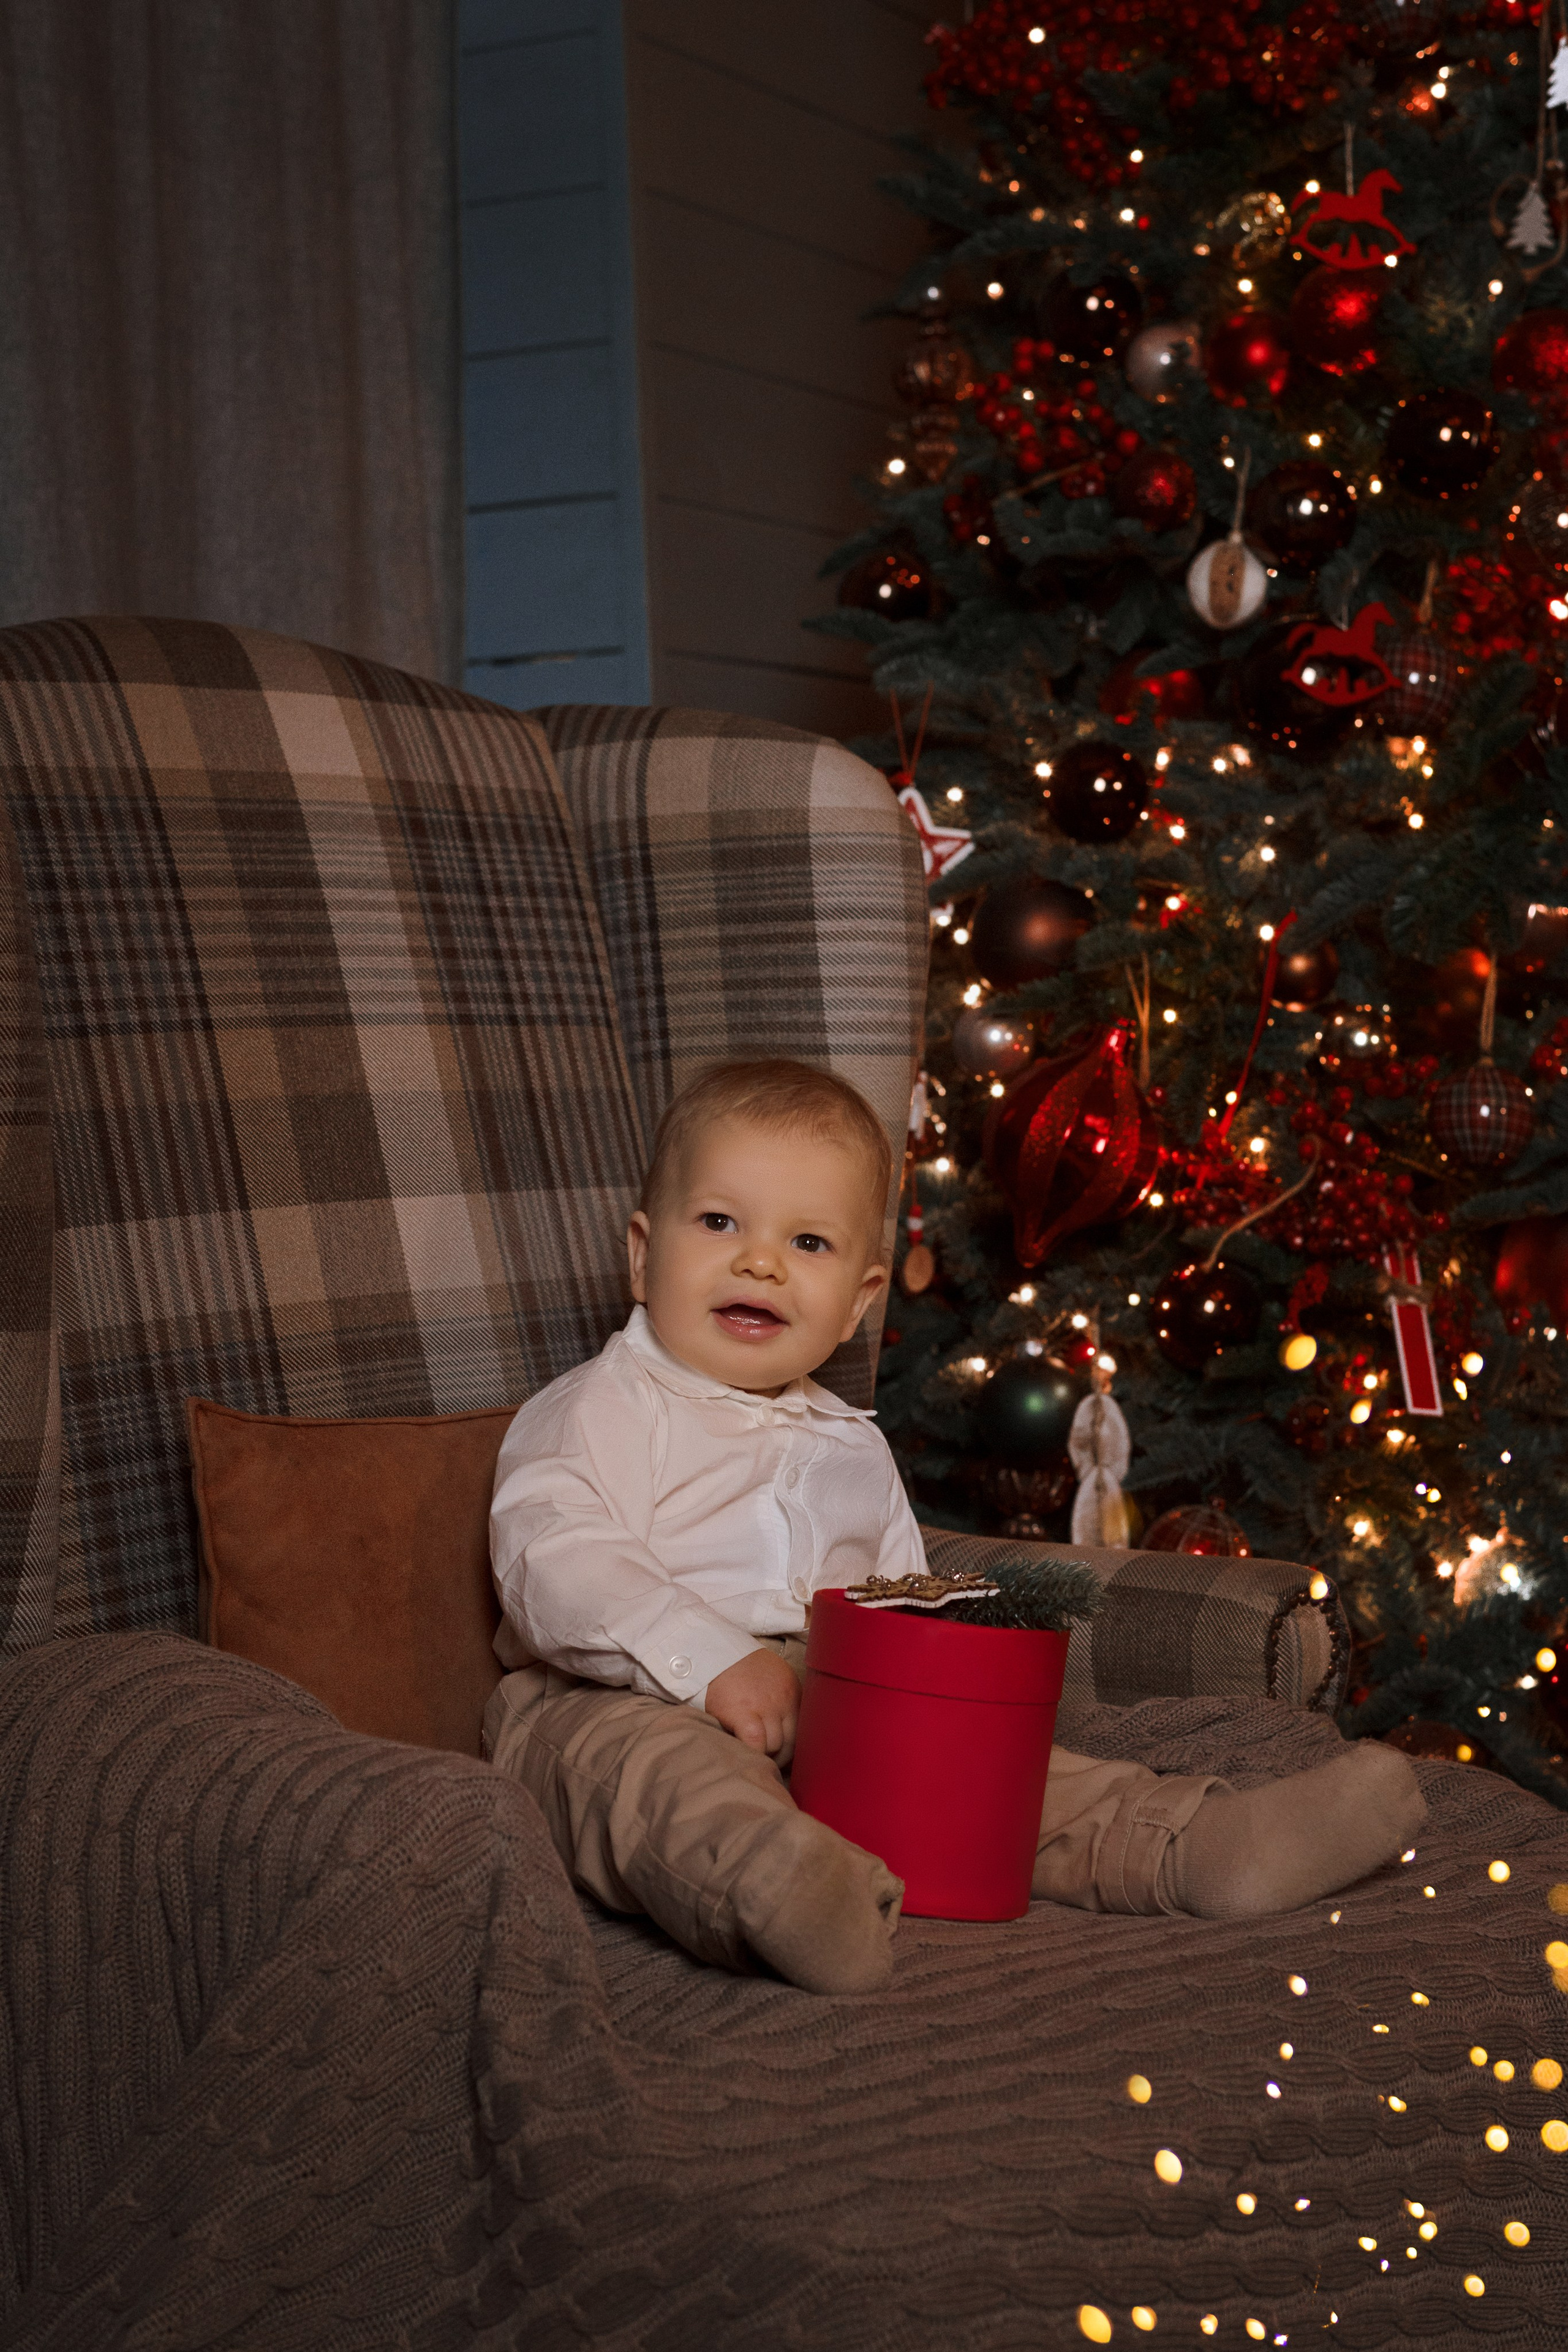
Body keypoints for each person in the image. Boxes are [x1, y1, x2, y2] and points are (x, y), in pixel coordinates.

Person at [486, 1060, 1424, 1994]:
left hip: (826, 1691)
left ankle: (1189, 1846)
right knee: (659, 1783)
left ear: (857, 1302)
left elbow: (896, 1590)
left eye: (808, 1242)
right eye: (720, 1222)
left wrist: (941, 1691)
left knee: (991, 1776)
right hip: (605, 1694)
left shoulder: (851, 1445)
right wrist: (708, 1655)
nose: (759, 1261)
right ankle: (786, 1886)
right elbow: (552, 1557)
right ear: (643, 1256)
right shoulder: (600, 1407)